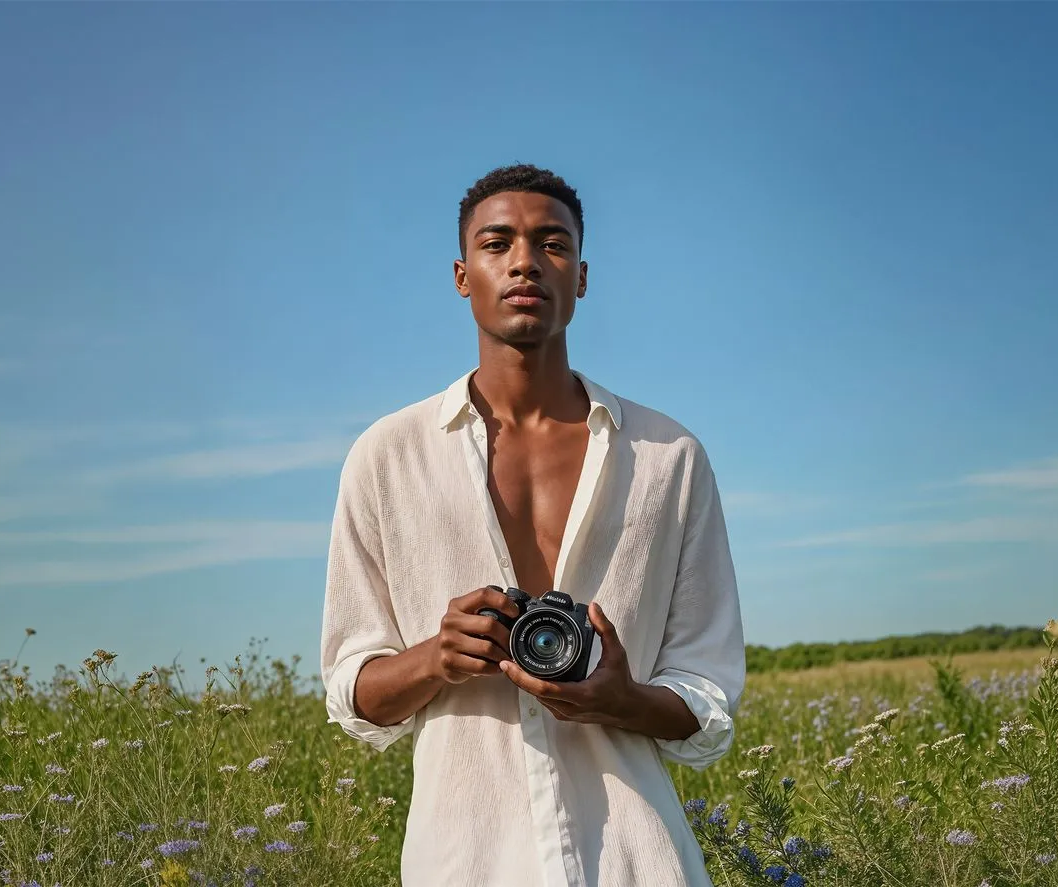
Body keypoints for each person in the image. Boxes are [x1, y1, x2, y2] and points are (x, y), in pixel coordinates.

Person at [319, 164, 745, 887]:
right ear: (462, 274)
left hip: (639, 861)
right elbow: (352, 688)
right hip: (466, 862)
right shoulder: (386, 457)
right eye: (498, 243)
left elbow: (707, 693)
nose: (525, 261)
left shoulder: (669, 457)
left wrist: (624, 698)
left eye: (552, 243)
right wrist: (436, 656)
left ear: (580, 274)